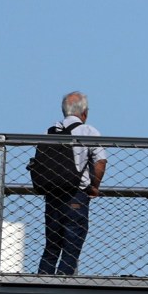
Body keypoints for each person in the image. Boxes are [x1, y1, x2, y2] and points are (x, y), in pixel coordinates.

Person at [35, 92, 106, 275]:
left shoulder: (49, 131)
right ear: (84, 112)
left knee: (52, 246)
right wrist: (95, 186)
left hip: (52, 196)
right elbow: (100, 162)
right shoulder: (88, 131)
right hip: (76, 195)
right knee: (72, 245)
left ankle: (42, 282)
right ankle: (63, 283)